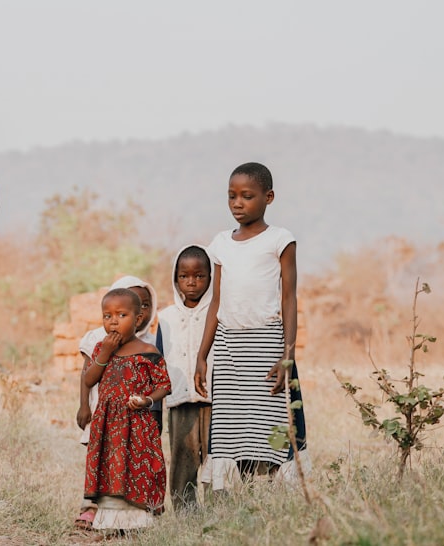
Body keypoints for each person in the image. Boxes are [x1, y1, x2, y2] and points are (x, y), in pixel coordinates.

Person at [193, 162, 307, 483]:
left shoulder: (280, 240)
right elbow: (216, 302)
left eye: (247, 196)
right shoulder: (221, 244)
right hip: (230, 346)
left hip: (267, 342)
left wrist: (288, 355)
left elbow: (289, 298)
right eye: (231, 196)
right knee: (233, 424)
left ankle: (275, 484)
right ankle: (239, 490)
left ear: (268, 197)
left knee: (271, 419)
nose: (237, 204)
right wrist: (203, 354)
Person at [74, 275, 159, 531]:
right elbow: (87, 377)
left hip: (134, 421)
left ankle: (131, 516)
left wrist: (148, 403)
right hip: (104, 416)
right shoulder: (99, 342)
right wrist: (84, 406)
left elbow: (160, 384)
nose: (114, 321)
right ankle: (93, 509)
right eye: (108, 315)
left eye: (143, 306)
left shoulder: (148, 346)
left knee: (130, 465)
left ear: (141, 315)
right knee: (101, 462)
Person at [157, 244, 214, 510]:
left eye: (199, 275)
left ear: (211, 278)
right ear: (175, 278)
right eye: (184, 276)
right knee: (182, 464)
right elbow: (158, 363)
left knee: (217, 464)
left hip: (215, 402)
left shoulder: (217, 314)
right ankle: (186, 518)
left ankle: (221, 515)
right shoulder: (165, 318)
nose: (191, 282)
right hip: (180, 403)